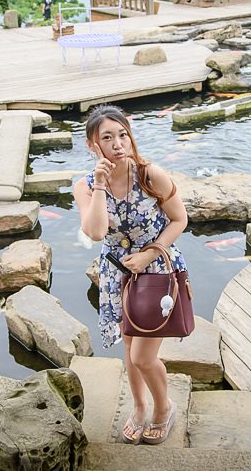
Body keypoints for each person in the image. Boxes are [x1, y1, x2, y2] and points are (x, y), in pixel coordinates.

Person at [74, 105, 188, 445]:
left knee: (142, 355)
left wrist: (150, 252)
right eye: (107, 138)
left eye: (123, 134)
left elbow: (179, 220)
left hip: (155, 271)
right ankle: (139, 407)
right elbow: (95, 233)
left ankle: (163, 408)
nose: (118, 143)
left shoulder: (150, 174)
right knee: (127, 346)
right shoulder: (84, 185)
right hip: (116, 275)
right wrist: (99, 184)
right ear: (92, 145)